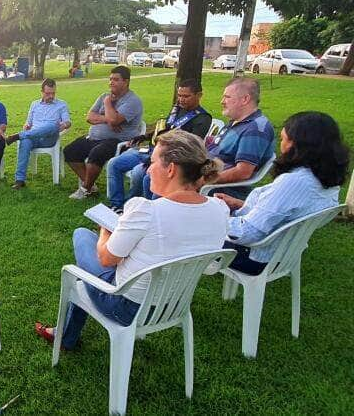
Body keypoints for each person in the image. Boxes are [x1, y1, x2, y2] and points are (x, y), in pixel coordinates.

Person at [35, 130, 229, 349]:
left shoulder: (146, 211)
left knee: (82, 235)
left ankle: (66, 336)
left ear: (171, 169)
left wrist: (105, 231)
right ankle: (67, 335)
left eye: (152, 161)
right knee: (100, 259)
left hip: (126, 305)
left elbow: (107, 258)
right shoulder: (219, 209)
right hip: (174, 303)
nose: (148, 168)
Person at [217, 111, 349, 275]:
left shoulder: (294, 182)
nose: (281, 145)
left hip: (254, 256)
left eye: (283, 139)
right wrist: (241, 204)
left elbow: (248, 233)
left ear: (297, 145)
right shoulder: (325, 178)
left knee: (185, 230)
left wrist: (211, 217)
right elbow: (285, 213)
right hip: (283, 251)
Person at [106, 78, 212, 213]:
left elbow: (190, 148)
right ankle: (117, 205)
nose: (181, 99)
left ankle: (136, 208)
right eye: (179, 95)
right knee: (114, 163)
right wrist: (145, 136)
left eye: (186, 96)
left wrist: (159, 159)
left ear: (199, 95)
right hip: (151, 150)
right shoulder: (177, 109)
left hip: (169, 158)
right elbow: (165, 129)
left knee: (140, 173)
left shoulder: (202, 118)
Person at [63, 66, 143, 200]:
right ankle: (91, 186)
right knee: (70, 151)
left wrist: (107, 104)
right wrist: (108, 120)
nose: (111, 82)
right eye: (110, 79)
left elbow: (114, 119)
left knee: (97, 153)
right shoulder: (104, 96)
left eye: (116, 80)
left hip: (119, 141)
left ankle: (85, 189)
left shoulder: (132, 101)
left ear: (126, 82)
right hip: (95, 137)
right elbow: (89, 117)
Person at [200, 77, 275, 199]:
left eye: (227, 97)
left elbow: (243, 172)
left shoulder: (255, 129)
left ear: (245, 99)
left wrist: (201, 181)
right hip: (205, 174)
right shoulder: (238, 122)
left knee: (166, 182)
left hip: (220, 190)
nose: (222, 101)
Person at [4, 78, 72, 189]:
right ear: (42, 92)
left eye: (53, 93)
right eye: (48, 93)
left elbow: (68, 122)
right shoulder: (34, 104)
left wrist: (64, 125)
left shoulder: (61, 105)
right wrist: (26, 126)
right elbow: (28, 123)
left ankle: (17, 136)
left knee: (52, 125)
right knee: (25, 142)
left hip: (49, 138)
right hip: (33, 137)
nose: (51, 96)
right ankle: (20, 180)